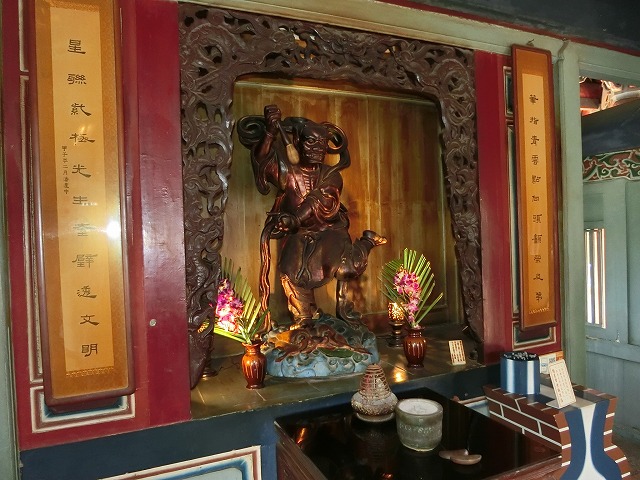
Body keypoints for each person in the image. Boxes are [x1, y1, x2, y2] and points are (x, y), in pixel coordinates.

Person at [238, 104, 386, 329]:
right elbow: (263, 161)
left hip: (329, 230)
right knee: (291, 268)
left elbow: (319, 200)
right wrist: (269, 132)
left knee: (346, 268)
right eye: (310, 142)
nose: (317, 149)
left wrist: (295, 218)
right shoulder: (288, 171)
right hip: (299, 233)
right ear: (297, 142)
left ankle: (366, 241)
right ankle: (304, 316)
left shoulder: (331, 175)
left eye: (322, 144)